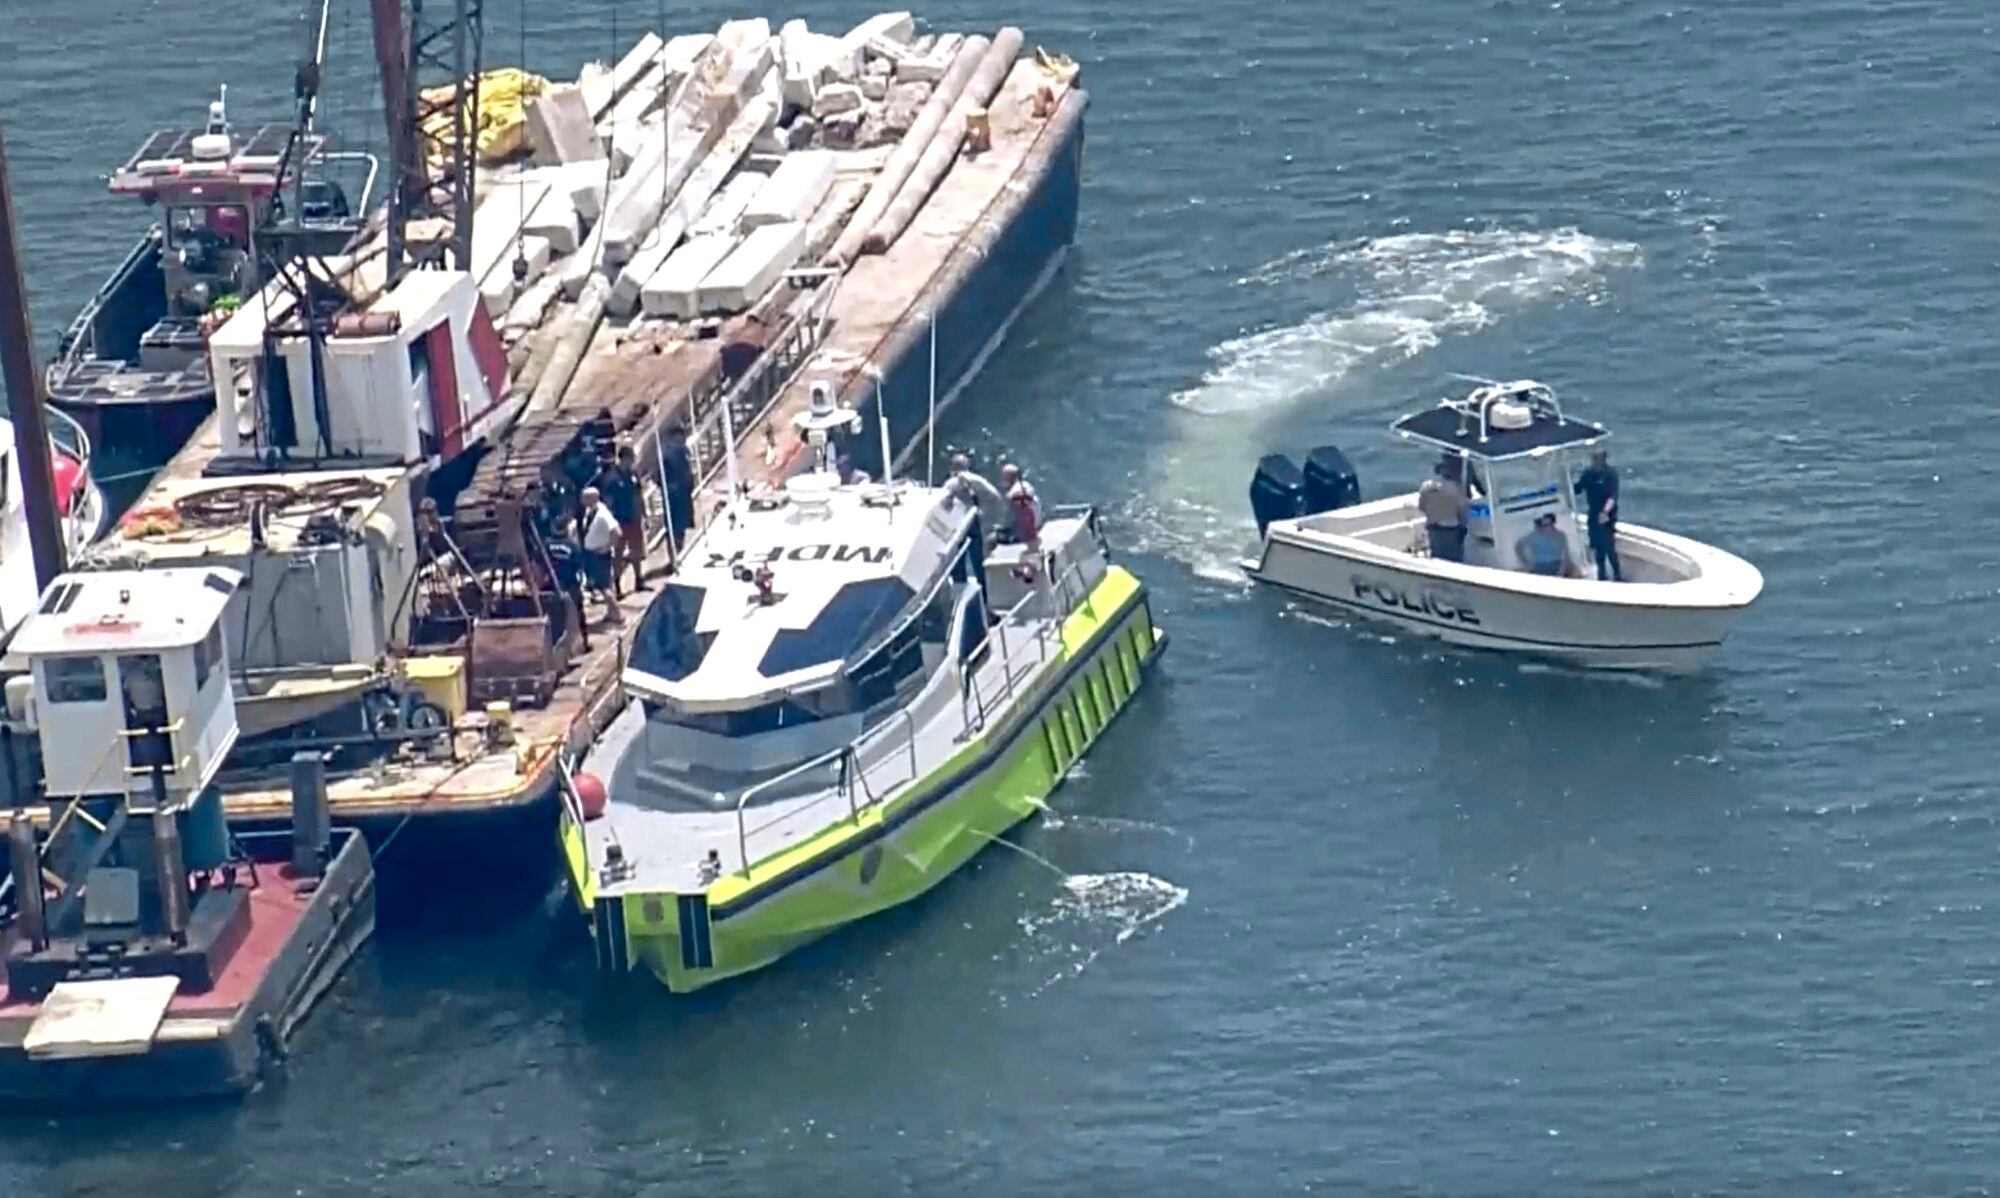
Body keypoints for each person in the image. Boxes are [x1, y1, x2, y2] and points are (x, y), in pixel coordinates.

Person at [594, 444, 647, 593]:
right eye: (631, 459)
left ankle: (639, 580)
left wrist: (644, 513)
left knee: (636, 550)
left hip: (634, 517)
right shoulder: (611, 477)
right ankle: (617, 585)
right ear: (624, 458)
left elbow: (639, 495)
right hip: (619, 520)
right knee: (618, 554)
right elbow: (607, 501)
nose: (632, 462)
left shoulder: (634, 474)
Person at [1574, 447, 1622, 581]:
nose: (1595, 462)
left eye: (1598, 459)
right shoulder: (1588, 474)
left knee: (1609, 546)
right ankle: (1602, 575)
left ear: (1604, 460)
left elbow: (1613, 496)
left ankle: (1617, 575)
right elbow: (1578, 488)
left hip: (1607, 515)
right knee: (1597, 546)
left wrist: (1605, 512)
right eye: (1594, 459)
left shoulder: (1610, 474)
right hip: (1593, 513)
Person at [579, 486, 625, 623]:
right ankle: (611, 613)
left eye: (584, 497)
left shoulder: (602, 513)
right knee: (605, 585)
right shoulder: (589, 511)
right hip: (591, 553)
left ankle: (618, 614)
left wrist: (608, 546)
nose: (581, 500)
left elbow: (617, 532)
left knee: (603, 586)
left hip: (599, 553)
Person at [544, 515, 589, 649]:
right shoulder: (572, 545)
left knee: (556, 617)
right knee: (579, 613)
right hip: (570, 584)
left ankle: (553, 646)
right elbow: (579, 566)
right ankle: (584, 642)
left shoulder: (546, 544)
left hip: (551, 585)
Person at [1417, 455, 1469, 563]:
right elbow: (1462, 512)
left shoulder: (1426, 486)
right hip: (1451, 529)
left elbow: (1421, 507)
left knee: (1437, 558)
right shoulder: (1456, 488)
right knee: (1454, 560)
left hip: (1433, 527)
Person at [947, 453, 1008, 540]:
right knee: (976, 546)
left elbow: (944, 500)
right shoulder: (977, 479)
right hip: (974, 518)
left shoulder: (952, 482)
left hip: (958, 520)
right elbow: (995, 495)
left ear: (953, 466)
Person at [658, 422, 695, 562]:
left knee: (682, 528)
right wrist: (667, 487)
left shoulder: (684, 451)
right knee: (673, 529)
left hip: (684, 494)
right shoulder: (667, 452)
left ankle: (679, 555)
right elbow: (657, 473)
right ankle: (674, 558)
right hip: (673, 496)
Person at [1515, 512, 1580, 577]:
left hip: (1557, 565)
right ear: (1540, 526)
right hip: (1539, 568)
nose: (1549, 528)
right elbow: (1518, 546)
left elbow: (1565, 555)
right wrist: (1526, 563)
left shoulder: (1560, 535)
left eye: (1550, 524)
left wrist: (1561, 571)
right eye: (1545, 526)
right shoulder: (1534, 536)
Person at [1000, 463, 1040, 546]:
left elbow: (1012, 519)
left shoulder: (1012, 495)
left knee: (991, 540)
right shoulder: (1027, 486)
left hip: (1024, 534)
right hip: (1037, 525)